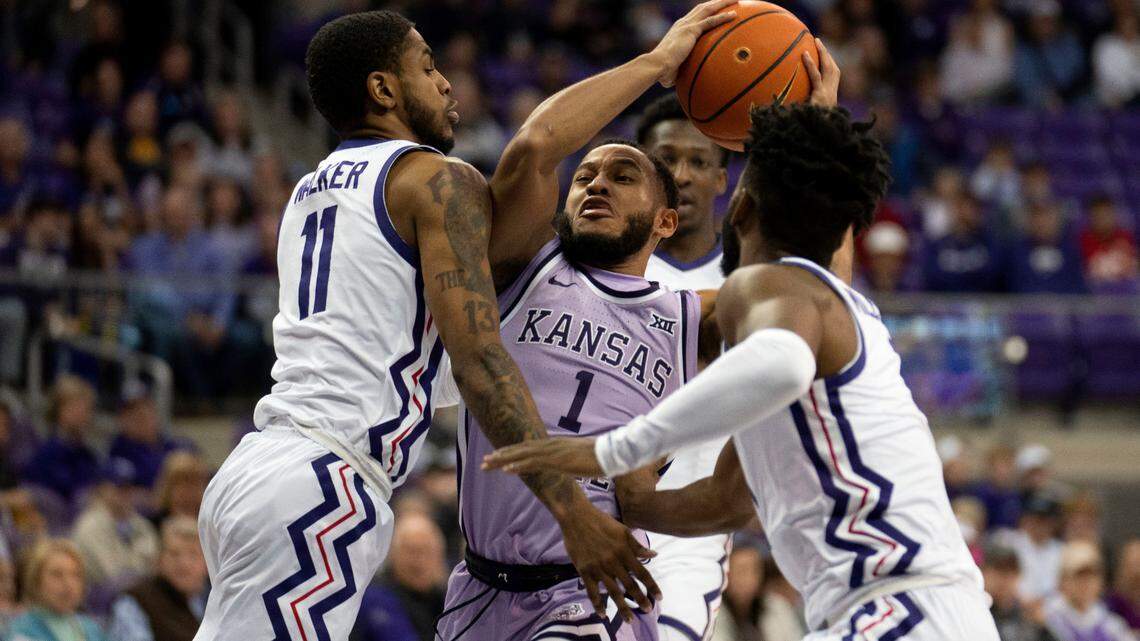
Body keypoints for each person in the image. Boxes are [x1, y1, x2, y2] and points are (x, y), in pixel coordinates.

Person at [193, 11, 652, 641]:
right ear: (383, 89)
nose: (446, 84)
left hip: (256, 471)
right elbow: (480, 362)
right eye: (428, 67)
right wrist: (571, 511)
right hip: (322, 477)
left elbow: (531, 161)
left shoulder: (311, 190)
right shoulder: (433, 179)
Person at [485, 103, 1001, 640]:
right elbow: (726, 499)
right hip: (941, 611)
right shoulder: (844, 307)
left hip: (891, 608)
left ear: (742, 205)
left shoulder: (763, 285)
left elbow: (782, 361)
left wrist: (614, 451)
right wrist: (633, 506)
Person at [437, 3, 771, 636]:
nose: (596, 185)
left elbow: (796, 283)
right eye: (585, 177)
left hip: (590, 591)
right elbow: (536, 146)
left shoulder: (689, 316)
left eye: (622, 177)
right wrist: (656, 63)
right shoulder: (523, 266)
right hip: (478, 587)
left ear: (666, 221)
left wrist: (795, 130)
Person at [635, 92, 734, 641]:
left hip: (690, 532)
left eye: (699, 161)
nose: (682, 175)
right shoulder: (599, 265)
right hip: (588, 513)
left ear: (722, 179)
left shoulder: (748, 278)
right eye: (667, 159)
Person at [108, 516, 209, 641]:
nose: (184, 564)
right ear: (159, 560)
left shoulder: (211, 601)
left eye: (193, 555)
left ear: (207, 563)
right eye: (174, 554)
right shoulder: (134, 603)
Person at [351, 512, 447, 641]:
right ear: (393, 555)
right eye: (411, 551)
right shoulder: (375, 597)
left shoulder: (446, 600)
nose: (419, 561)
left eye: (427, 550)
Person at [71, 457, 160, 592]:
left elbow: (156, 568)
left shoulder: (142, 525)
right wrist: (140, 565)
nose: (125, 492)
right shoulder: (89, 526)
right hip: (102, 598)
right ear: (102, 488)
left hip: (142, 594)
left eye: (129, 487)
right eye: (119, 486)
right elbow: (113, 576)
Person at [7, 539, 110, 641]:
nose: (68, 584)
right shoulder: (22, 632)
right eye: (57, 575)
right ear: (36, 581)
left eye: (75, 575)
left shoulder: (91, 629)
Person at [1043, 542, 1137, 641]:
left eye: (1092, 576)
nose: (1086, 583)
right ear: (1063, 580)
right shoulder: (1048, 618)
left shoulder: (1109, 622)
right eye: (1079, 576)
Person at [983, 543, 1059, 641]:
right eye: (999, 570)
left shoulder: (1027, 614)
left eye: (1012, 571)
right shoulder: (976, 610)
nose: (1006, 578)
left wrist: (1043, 626)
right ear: (984, 573)